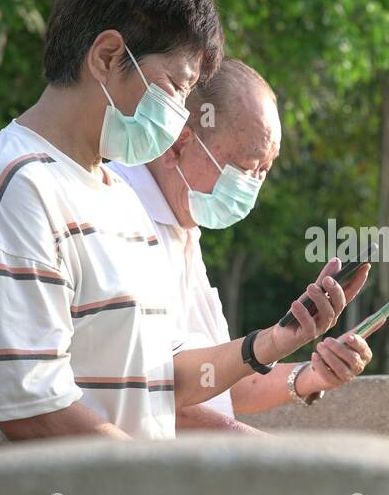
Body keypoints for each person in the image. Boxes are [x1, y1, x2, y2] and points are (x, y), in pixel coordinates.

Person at [0, 0, 368, 454]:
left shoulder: (115, 194)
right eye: (175, 87)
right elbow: (35, 412)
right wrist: (162, 476)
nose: (181, 114)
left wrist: (273, 343)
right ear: (108, 56)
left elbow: (165, 379)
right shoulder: (19, 185)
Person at [109, 59, 375, 432]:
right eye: (247, 166)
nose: (252, 185)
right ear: (179, 143)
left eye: (264, 170)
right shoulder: (115, 215)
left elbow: (220, 384)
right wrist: (262, 454)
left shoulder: (183, 226)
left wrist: (311, 373)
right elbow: (153, 393)